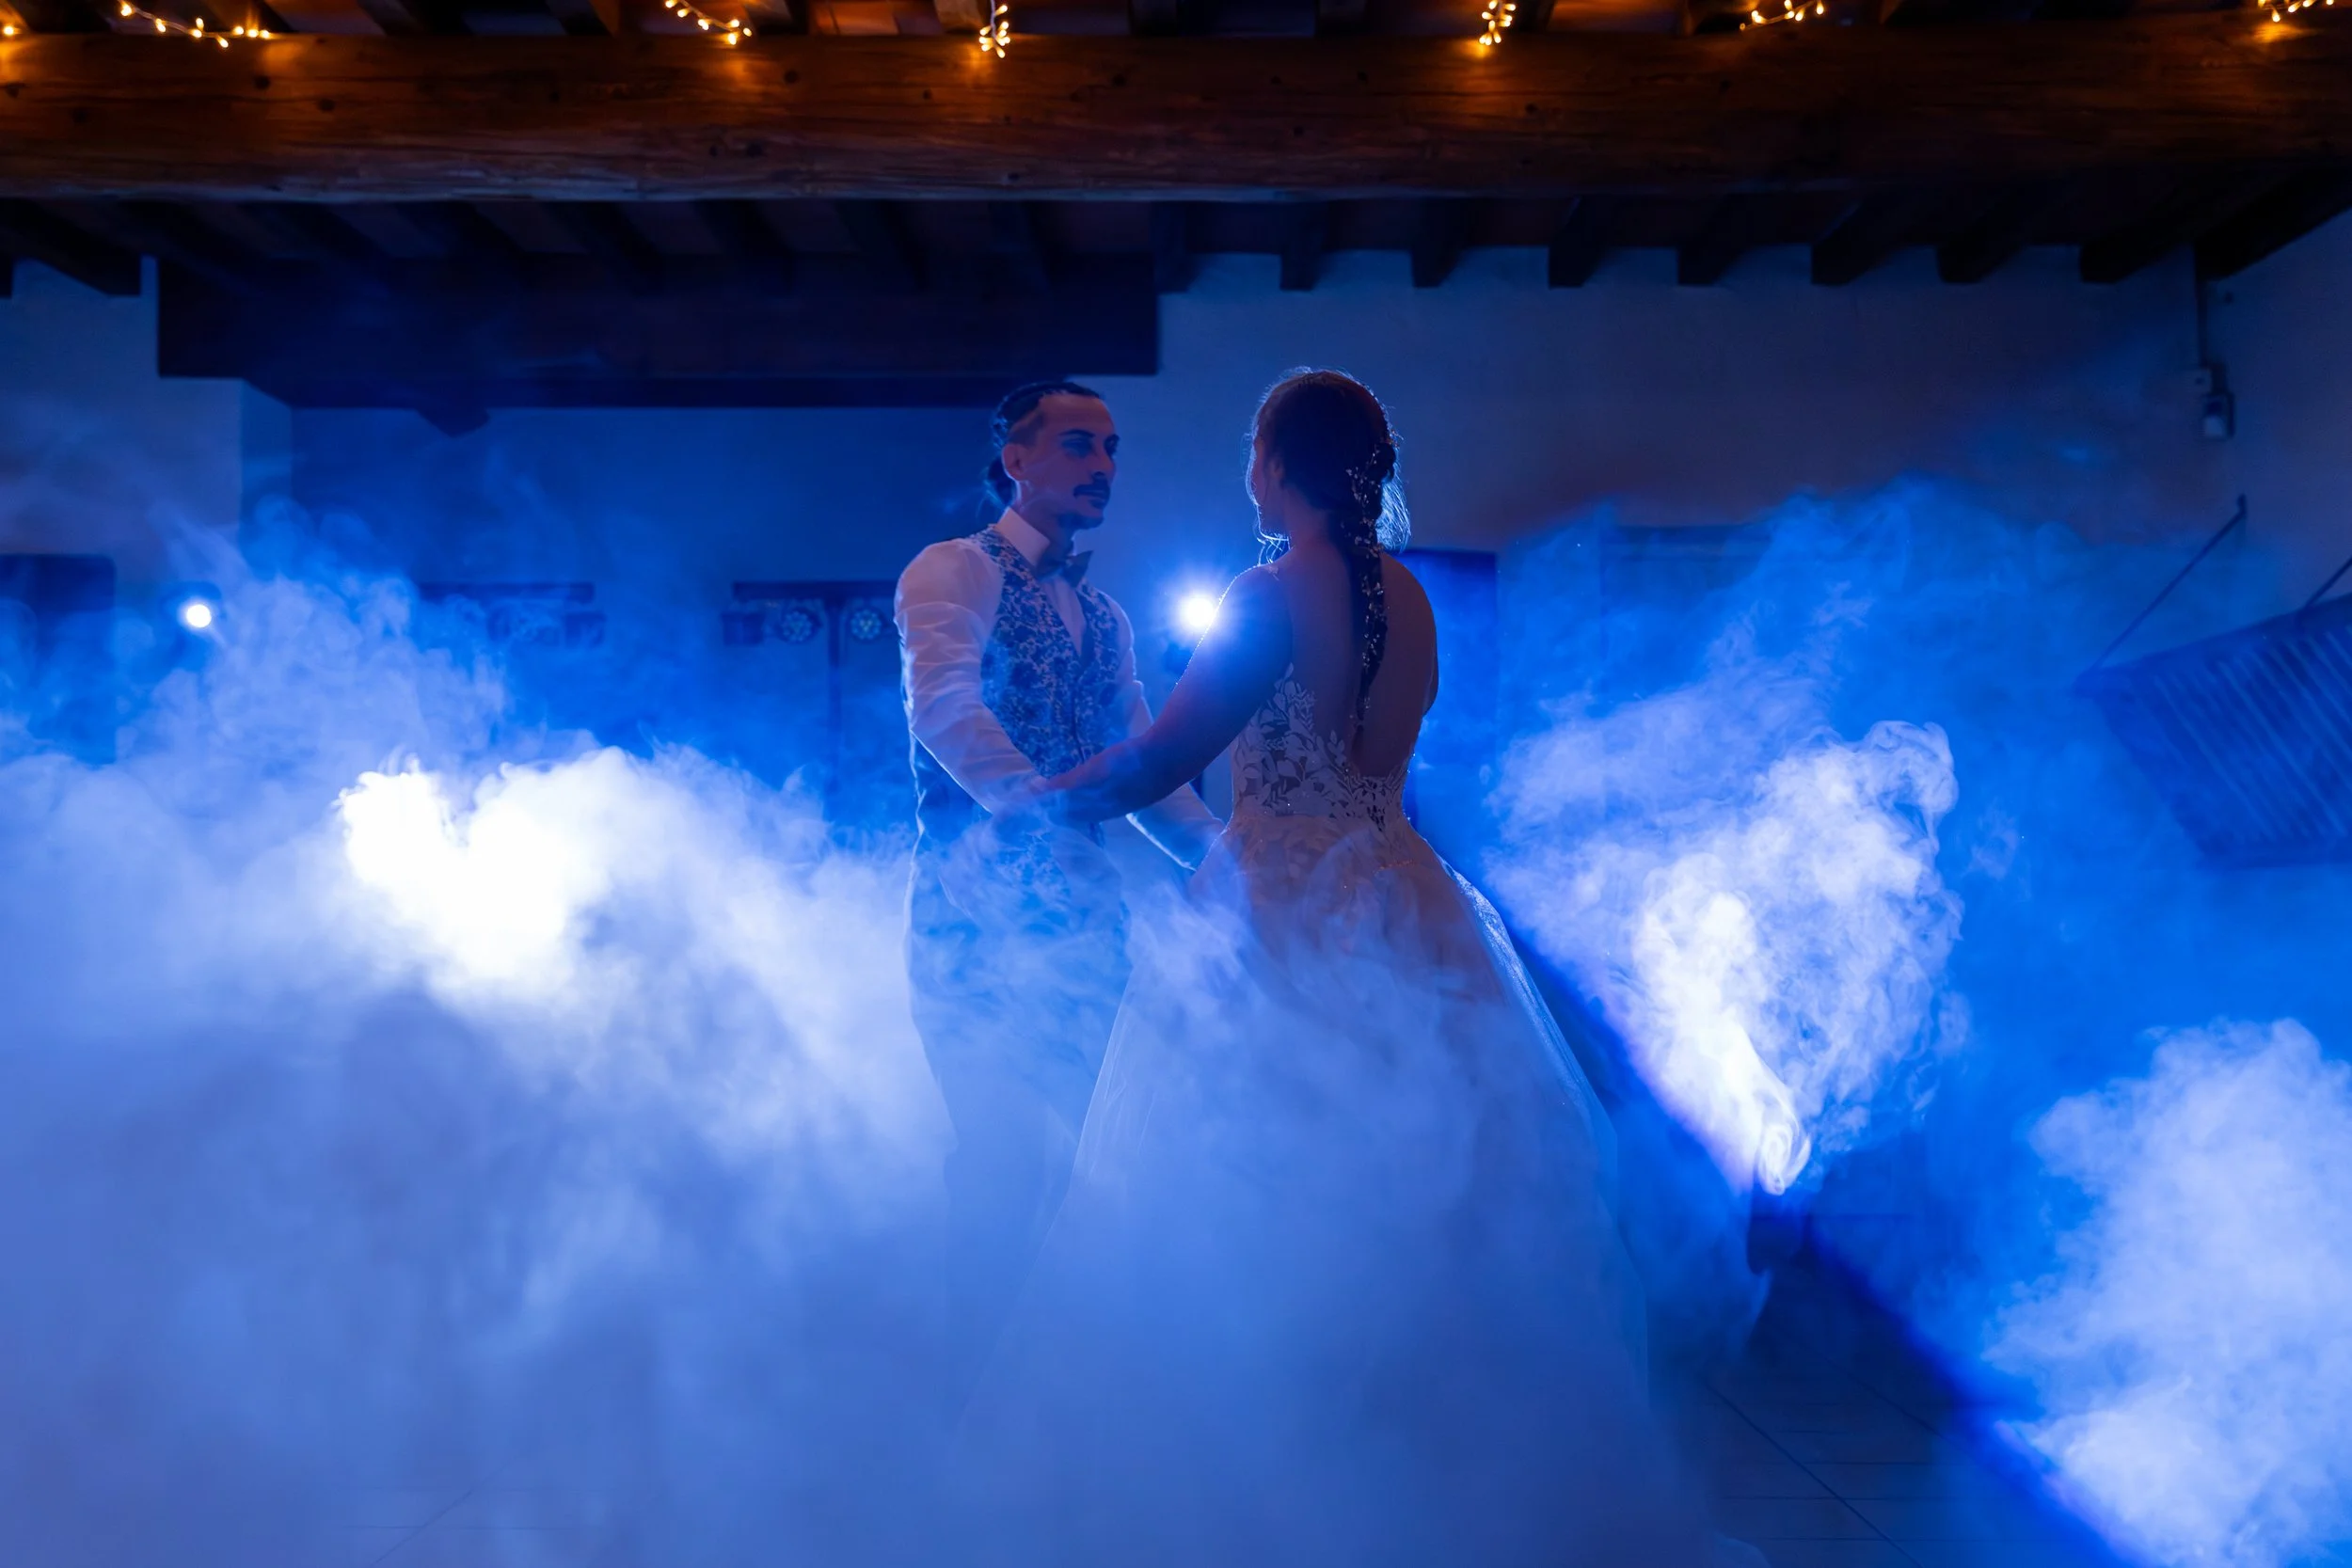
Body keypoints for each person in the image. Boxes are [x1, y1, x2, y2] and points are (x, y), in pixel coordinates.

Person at [956, 371, 1713, 1566]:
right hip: (1403, 888)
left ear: (1278, 464)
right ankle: (1427, 1475)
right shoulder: (1406, 597)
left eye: (1254, 450)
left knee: (1240, 1181)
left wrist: (1028, 805)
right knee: (1433, 1190)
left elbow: (1163, 758)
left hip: (1283, 896)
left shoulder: (1265, 595)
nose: (1246, 472)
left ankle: (1262, 1472)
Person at [896, 380, 1224, 1395]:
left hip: (1089, 926)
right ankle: (967, 1397)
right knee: (996, 1162)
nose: (1104, 467)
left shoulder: (1109, 613)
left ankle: (1073, 1406)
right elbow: (943, 711)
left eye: (1114, 450)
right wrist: (1040, 809)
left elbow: (1138, 765)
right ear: (1016, 461)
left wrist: (1230, 862)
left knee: (1101, 1166)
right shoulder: (949, 569)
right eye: (1079, 445)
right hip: (969, 918)